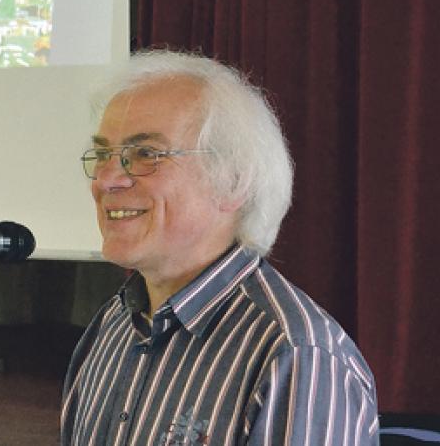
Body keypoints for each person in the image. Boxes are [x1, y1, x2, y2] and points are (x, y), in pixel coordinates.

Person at [61, 50, 379, 445]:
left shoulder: (296, 355)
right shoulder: (114, 325)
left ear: (232, 181)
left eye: (144, 155)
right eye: (105, 154)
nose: (106, 180)